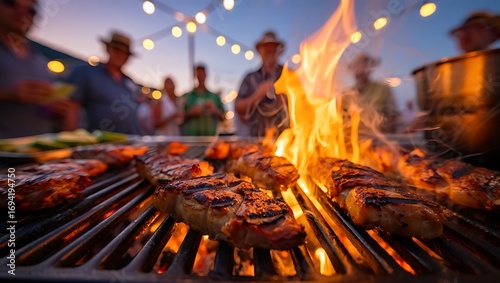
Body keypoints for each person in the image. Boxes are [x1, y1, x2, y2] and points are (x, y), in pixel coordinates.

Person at [0, 0, 78, 138]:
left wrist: (56, 108)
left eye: (31, 11)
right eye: (11, 3)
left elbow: (45, 110)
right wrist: (7, 94)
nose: (21, 13)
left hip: (38, 153)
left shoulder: (40, 61)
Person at [67, 31, 145, 135]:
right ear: (108, 49)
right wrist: (73, 141)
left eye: (126, 53)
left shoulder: (129, 81)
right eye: (117, 50)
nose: (121, 55)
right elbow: (71, 108)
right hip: (99, 143)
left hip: (131, 142)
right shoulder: (86, 73)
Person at [234, 31, 289, 137]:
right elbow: (238, 106)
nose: (269, 51)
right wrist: (257, 95)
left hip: (285, 141)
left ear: (279, 51)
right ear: (260, 51)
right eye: (266, 48)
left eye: (273, 48)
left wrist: (286, 100)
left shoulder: (289, 76)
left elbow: (303, 104)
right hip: (256, 140)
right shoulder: (250, 78)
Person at [347, 52, 399, 133]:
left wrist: (382, 133)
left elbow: (394, 116)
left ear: (370, 69)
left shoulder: (383, 89)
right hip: (354, 140)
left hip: (379, 140)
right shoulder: (347, 94)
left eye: (364, 66)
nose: (360, 71)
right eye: (357, 67)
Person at [181, 65, 225, 136]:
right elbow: (179, 118)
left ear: (206, 75)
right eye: (199, 74)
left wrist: (215, 110)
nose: (201, 77)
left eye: (202, 74)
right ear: (195, 76)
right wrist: (190, 112)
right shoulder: (187, 96)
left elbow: (223, 117)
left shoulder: (214, 96)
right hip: (191, 139)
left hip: (210, 138)